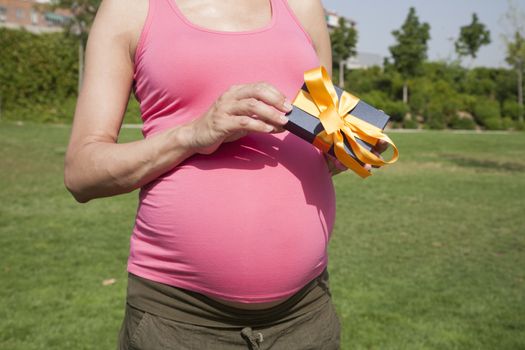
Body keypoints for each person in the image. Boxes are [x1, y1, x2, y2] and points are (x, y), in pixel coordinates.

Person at [64, 0, 387, 348]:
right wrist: (193, 134)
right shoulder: (131, 8)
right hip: (179, 324)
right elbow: (82, 173)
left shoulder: (303, 7)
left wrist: (343, 150)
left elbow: (320, 133)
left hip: (306, 318)